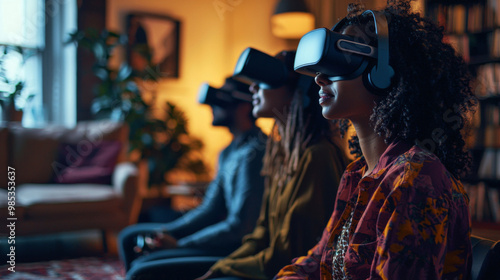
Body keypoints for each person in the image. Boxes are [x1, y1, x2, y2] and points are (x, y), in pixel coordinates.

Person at [275, 1, 476, 279]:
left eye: (339, 62)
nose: (319, 79)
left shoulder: (416, 178)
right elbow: (314, 261)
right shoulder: (356, 175)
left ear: (381, 73)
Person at [126, 49, 350, 280]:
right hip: (263, 260)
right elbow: (260, 234)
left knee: (144, 273)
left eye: (263, 82)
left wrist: (221, 267)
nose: (253, 88)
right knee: (142, 262)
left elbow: (287, 254)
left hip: (282, 271)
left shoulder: (316, 157)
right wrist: (221, 266)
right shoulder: (280, 155)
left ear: (297, 92)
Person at [118, 76, 267, 272]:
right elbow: (210, 209)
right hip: (228, 236)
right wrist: (166, 233)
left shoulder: (255, 154)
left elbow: (241, 227)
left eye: (222, 98)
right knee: (130, 236)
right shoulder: (229, 152)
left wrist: (181, 245)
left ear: (245, 106)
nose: (212, 106)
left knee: (142, 269)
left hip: (238, 247)